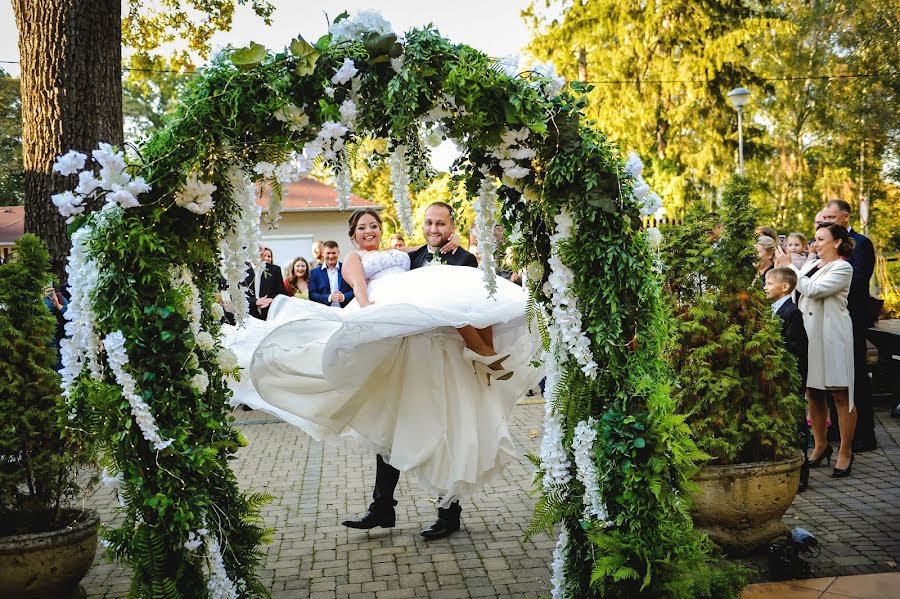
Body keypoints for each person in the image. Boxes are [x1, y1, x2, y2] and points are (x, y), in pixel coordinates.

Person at [223, 206, 540, 541]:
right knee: (391, 426)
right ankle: (382, 507)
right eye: (363, 227)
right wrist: (368, 315)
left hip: (442, 355)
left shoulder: (416, 256)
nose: (370, 231)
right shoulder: (365, 259)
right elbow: (366, 290)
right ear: (353, 234)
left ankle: (447, 511)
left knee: (446, 425)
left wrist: (455, 238)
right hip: (399, 347)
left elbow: (462, 289)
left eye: (375, 226)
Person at [775, 223, 855, 478]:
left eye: (821, 239)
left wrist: (790, 268)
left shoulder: (843, 267)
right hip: (810, 336)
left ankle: (845, 450)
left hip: (832, 336)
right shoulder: (811, 265)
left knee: (841, 395)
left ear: (837, 242)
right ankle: (820, 445)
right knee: (814, 392)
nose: (815, 244)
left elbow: (814, 289)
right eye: (815, 239)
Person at [821, 199, 877, 453]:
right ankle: (839, 429)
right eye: (824, 219)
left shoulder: (861, 244)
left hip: (851, 317)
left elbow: (858, 278)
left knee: (855, 376)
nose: (826, 222)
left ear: (845, 216)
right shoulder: (824, 248)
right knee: (834, 376)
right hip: (830, 319)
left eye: (831, 218)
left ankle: (865, 433)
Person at [764, 267, 810, 491]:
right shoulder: (768, 310)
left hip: (791, 376)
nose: (765, 287)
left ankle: (802, 473)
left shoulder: (792, 313)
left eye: (769, 283)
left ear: (784, 287)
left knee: (796, 423)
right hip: (776, 375)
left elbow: (797, 347)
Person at [244, 246, 286, 320]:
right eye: (262, 255)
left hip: (270, 313)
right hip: (248, 315)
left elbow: (281, 292)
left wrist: (272, 300)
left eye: (269, 256)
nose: (266, 258)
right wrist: (256, 301)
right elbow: (238, 296)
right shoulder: (243, 270)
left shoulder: (275, 270)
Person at [308, 241, 354, 308]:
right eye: (328, 253)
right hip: (324, 311)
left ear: (338, 253)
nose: (331, 256)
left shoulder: (347, 268)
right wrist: (329, 297)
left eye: (334, 253)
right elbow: (312, 294)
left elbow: (355, 290)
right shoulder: (314, 273)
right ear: (323, 253)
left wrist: (344, 297)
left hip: (345, 310)